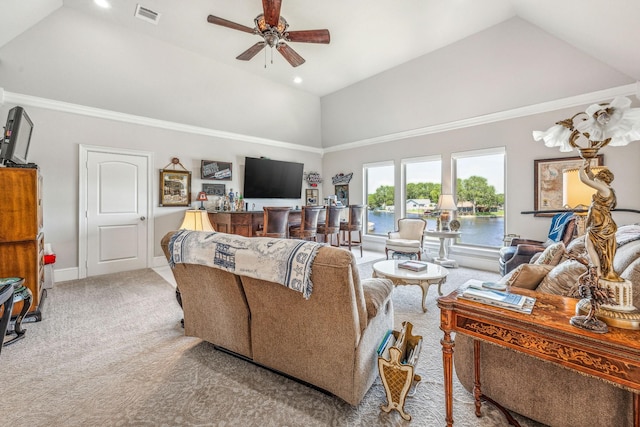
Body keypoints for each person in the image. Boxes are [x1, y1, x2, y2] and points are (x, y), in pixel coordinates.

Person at [579, 159, 622, 282]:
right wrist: (588, 170)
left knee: (589, 243)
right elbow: (592, 178)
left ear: (601, 180)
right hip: (601, 223)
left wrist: (581, 169)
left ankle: (597, 271)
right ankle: (597, 270)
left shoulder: (604, 189)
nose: (595, 181)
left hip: (600, 225)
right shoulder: (607, 189)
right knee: (591, 245)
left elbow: (584, 180)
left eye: (597, 179)